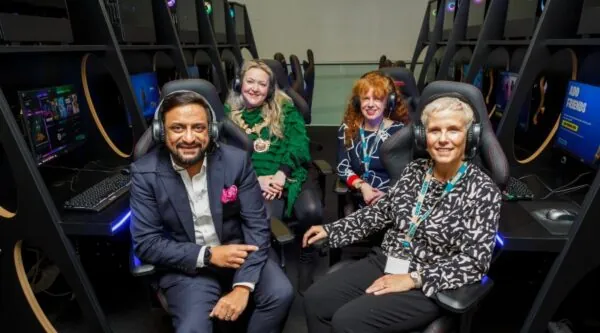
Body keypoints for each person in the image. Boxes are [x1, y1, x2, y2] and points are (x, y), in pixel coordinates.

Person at [302, 95, 502, 333]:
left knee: (348, 321)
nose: (443, 139)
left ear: (469, 136)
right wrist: (331, 229)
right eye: (435, 130)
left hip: (430, 281)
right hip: (389, 260)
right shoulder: (415, 170)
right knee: (315, 299)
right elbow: (381, 211)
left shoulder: (482, 190)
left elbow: (474, 262)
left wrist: (413, 279)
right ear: (422, 137)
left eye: (454, 130)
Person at [130, 90, 293, 333]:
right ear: (161, 132)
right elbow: (147, 243)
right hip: (186, 265)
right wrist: (208, 255)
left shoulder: (236, 161)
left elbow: (256, 224)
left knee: (281, 294)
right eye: (177, 128)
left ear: (212, 131)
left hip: (238, 252)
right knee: (192, 328)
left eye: (198, 127)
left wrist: (243, 286)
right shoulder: (144, 173)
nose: (188, 137)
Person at [224, 59, 322, 293]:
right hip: (251, 180)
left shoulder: (285, 108)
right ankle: (274, 271)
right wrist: (256, 180)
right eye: (250, 82)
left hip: (289, 174)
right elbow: (224, 157)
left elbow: (298, 145)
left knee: (311, 210)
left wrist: (280, 174)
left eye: (262, 84)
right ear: (239, 84)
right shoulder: (226, 116)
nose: (255, 88)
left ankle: (307, 257)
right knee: (265, 218)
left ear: (270, 89)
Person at [337, 71, 409, 211]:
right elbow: (343, 167)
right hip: (359, 196)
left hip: (391, 199)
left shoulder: (400, 132)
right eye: (366, 98)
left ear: (388, 102)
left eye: (377, 99)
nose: (370, 104)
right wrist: (362, 186)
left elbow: (406, 174)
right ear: (358, 102)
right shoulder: (347, 129)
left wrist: (387, 195)